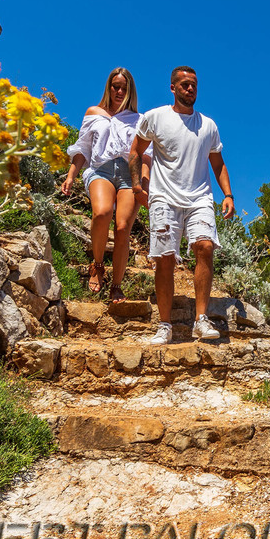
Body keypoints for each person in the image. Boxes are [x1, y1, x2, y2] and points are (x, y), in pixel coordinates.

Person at [128, 66, 235, 345]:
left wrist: (228, 195)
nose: (190, 89)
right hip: (164, 196)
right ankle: (165, 326)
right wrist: (137, 185)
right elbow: (135, 151)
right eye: (185, 85)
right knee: (164, 259)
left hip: (199, 197)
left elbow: (217, 162)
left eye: (194, 85)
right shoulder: (156, 117)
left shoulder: (208, 125)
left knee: (205, 246)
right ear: (173, 88)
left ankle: (201, 320)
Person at [61, 68, 144, 298]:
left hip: (129, 175)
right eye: (115, 86)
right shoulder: (94, 112)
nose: (119, 91)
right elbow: (83, 149)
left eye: (124, 88)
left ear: (130, 91)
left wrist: (143, 185)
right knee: (102, 213)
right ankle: (97, 265)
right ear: (108, 87)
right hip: (101, 170)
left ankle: (116, 285)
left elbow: (145, 156)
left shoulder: (140, 120)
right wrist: (71, 176)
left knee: (122, 227)